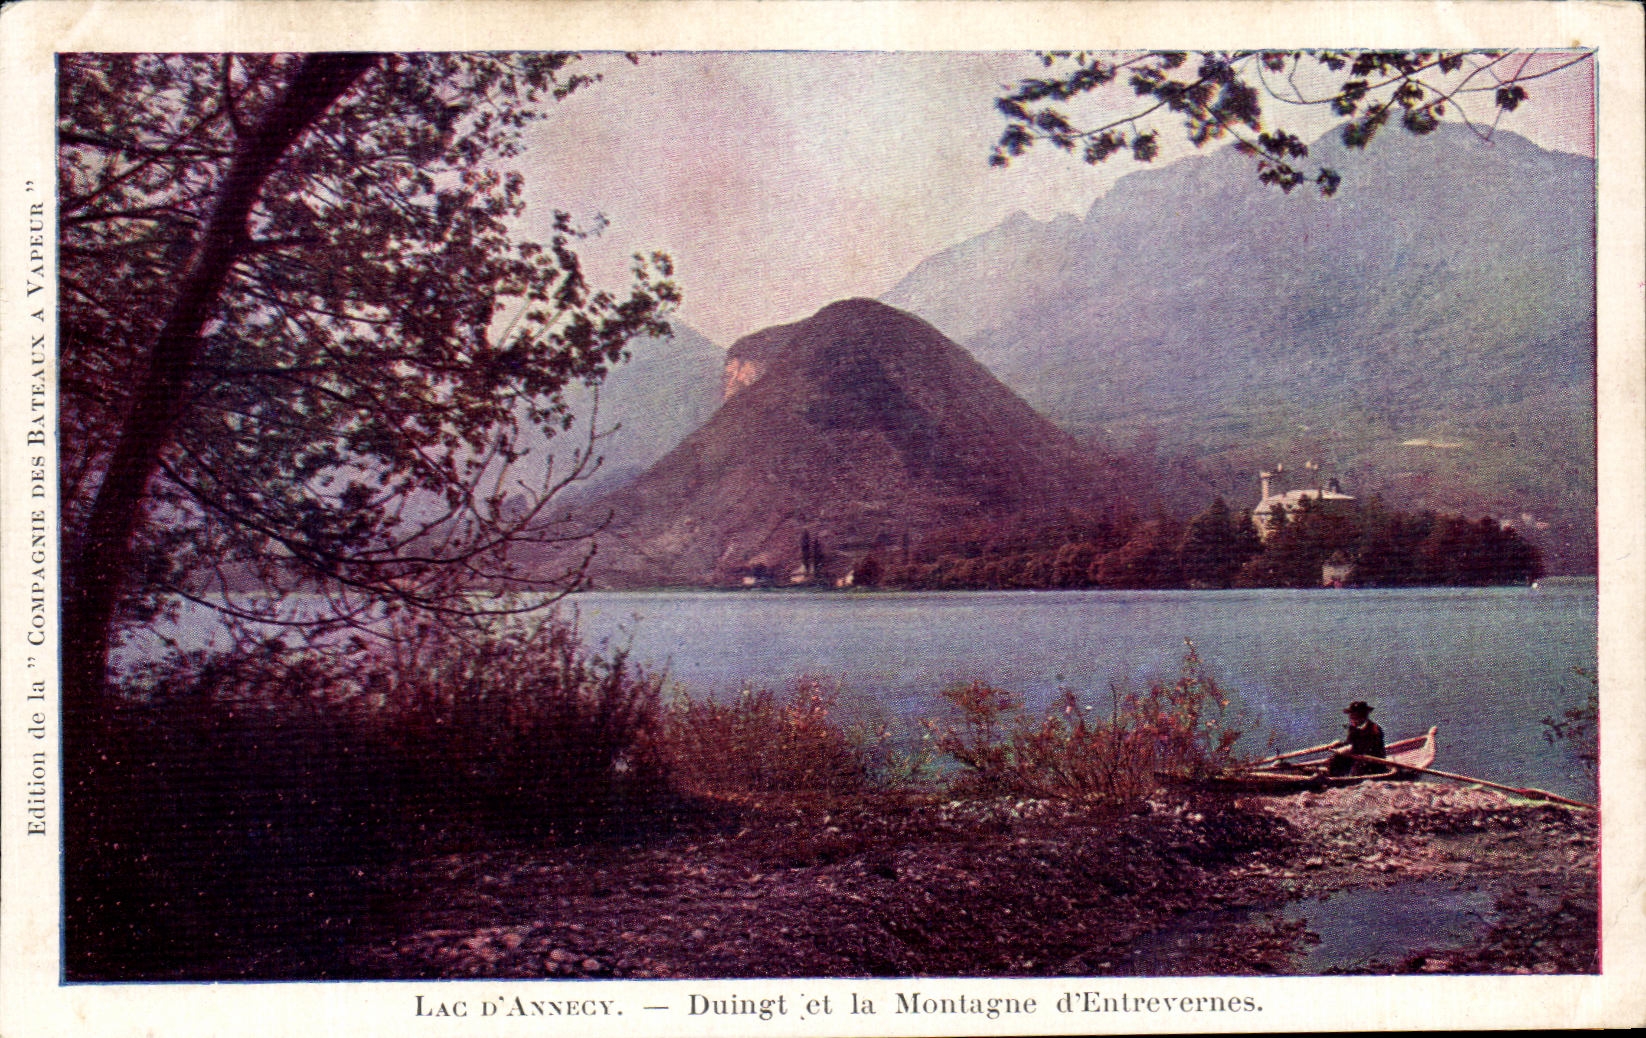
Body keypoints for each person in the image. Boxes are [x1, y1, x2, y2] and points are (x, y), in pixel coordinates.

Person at [1326, 701, 1389, 777]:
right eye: (1351, 716)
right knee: (1336, 759)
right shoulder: (1353, 729)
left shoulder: (1374, 729)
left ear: (1363, 716)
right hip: (1356, 757)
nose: (1351, 718)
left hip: (1373, 761)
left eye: (1354, 715)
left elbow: (1368, 748)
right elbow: (1350, 743)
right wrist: (1339, 744)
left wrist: (1349, 749)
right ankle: (1331, 777)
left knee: (1359, 765)